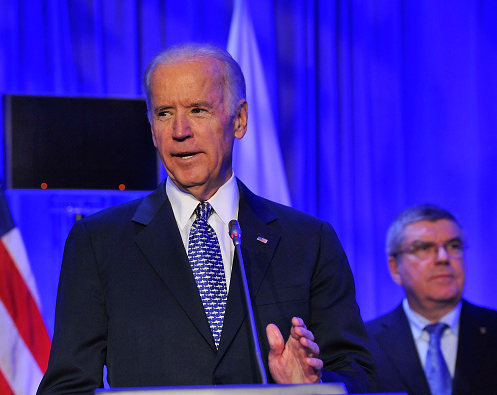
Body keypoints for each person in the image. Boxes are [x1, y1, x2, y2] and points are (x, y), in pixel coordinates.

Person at [37, 42, 375, 394]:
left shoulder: (309, 240)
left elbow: (358, 373)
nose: (179, 130)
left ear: (239, 119)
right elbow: (68, 385)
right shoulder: (98, 241)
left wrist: (313, 386)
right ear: (151, 128)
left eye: (198, 110)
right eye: (164, 113)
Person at [366, 204, 497, 394]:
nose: (443, 257)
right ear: (395, 269)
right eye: (424, 248)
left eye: (454, 246)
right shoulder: (365, 344)